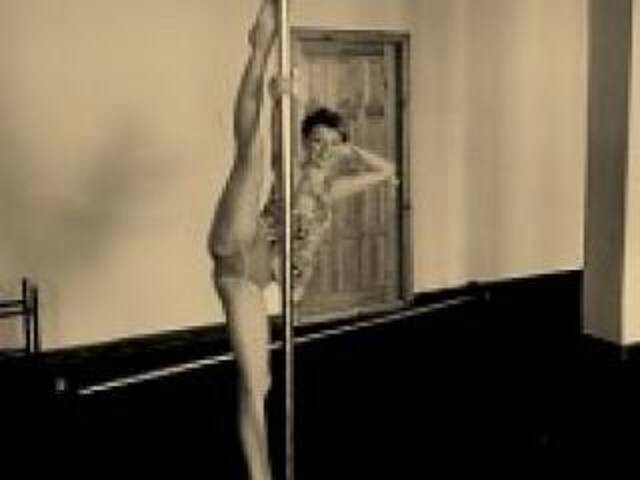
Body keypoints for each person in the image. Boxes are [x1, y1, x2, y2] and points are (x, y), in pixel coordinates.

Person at [207, 1, 396, 478]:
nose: (322, 151)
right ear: (305, 141)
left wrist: (348, 148)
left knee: (258, 384)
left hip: (249, 280)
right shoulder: (291, 164)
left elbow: (386, 170)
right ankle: (259, 48)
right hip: (243, 239)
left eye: (330, 146)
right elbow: (279, 142)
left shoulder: (331, 187)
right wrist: (285, 101)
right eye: (315, 141)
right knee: (250, 156)